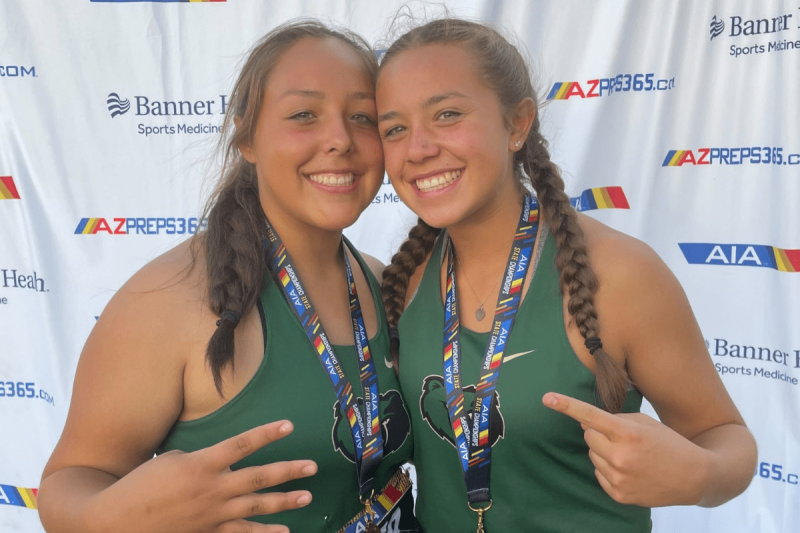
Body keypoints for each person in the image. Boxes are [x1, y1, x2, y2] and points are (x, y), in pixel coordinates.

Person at [377, 18, 757, 532]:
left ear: (517, 124)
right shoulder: (405, 278)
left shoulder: (620, 274)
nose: (418, 148)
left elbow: (726, 437)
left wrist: (699, 473)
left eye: (447, 114)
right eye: (395, 128)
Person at [38, 20, 418, 533]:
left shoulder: (379, 280)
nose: (339, 139)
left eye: (363, 117)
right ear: (247, 138)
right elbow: (68, 485)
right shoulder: (169, 299)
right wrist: (138, 516)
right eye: (304, 114)